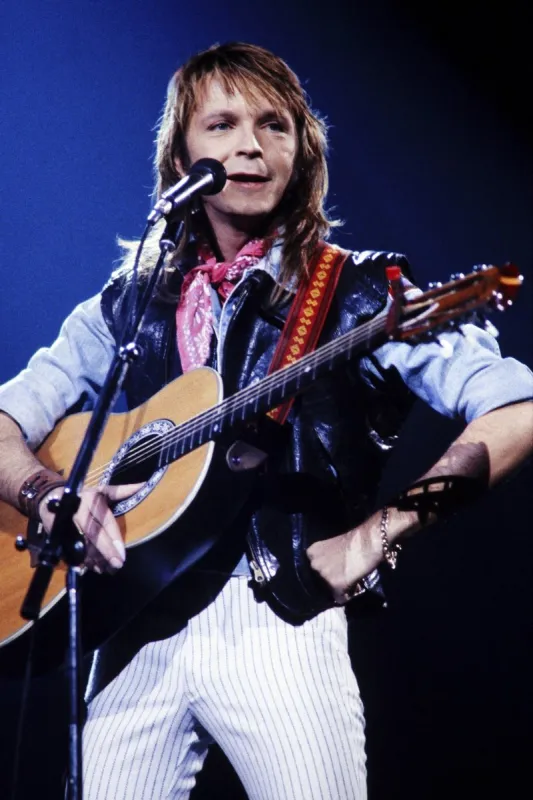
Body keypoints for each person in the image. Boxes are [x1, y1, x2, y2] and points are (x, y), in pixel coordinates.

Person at [0, 42, 532, 800]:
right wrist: (49, 494)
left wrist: (375, 536)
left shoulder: (359, 291)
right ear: (182, 156)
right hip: (133, 626)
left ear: (301, 151)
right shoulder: (127, 304)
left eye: (274, 126)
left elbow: (515, 410)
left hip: (274, 616)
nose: (249, 146)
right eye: (221, 125)